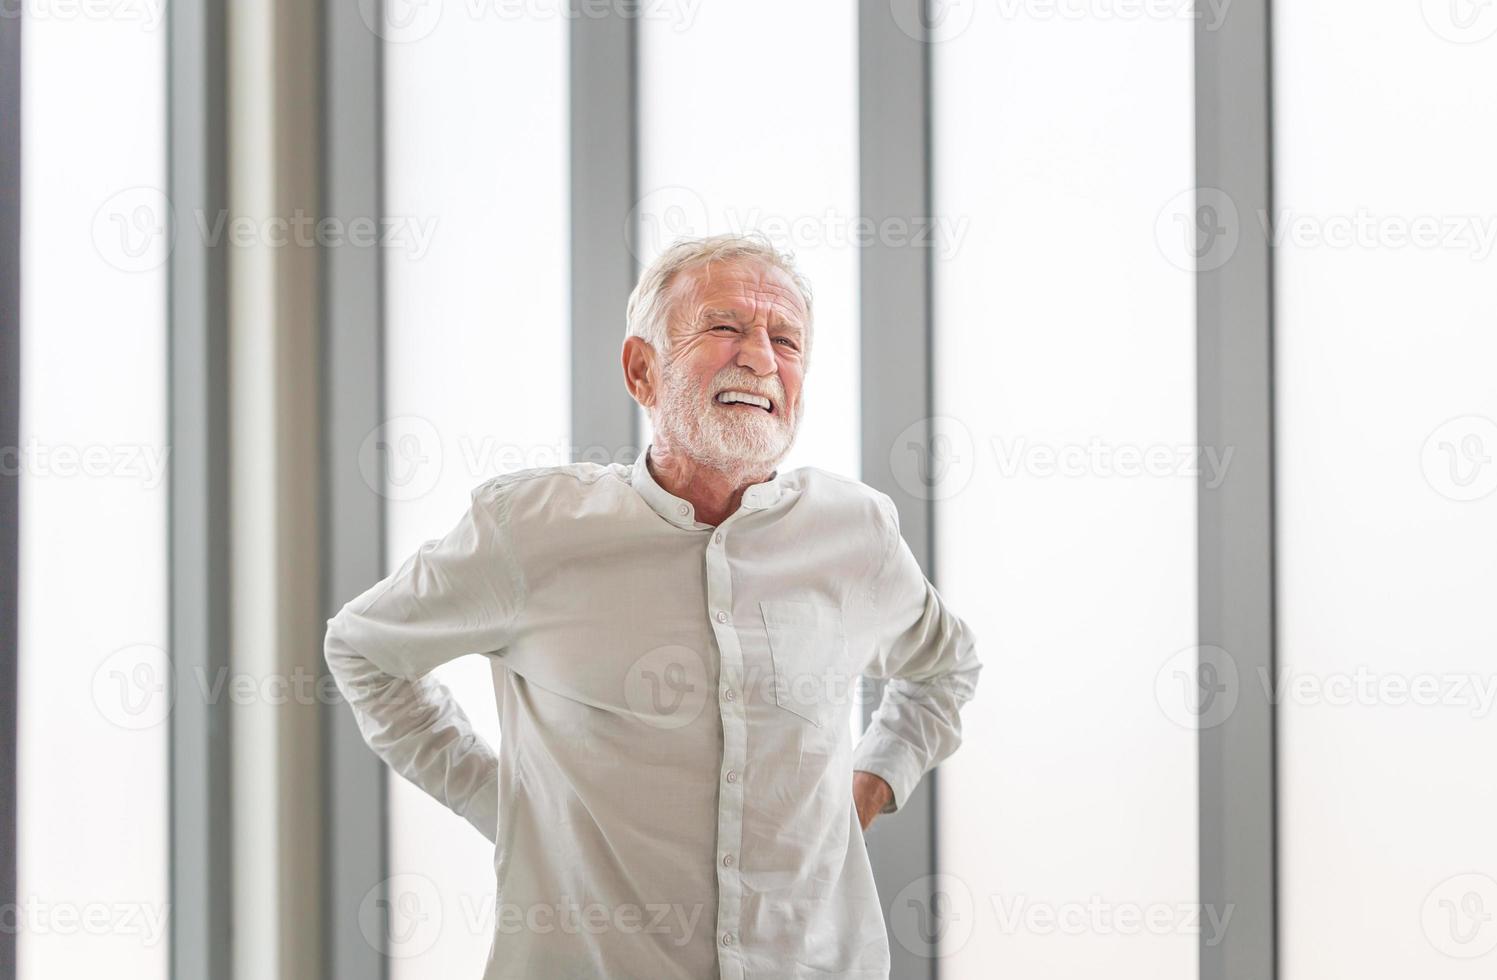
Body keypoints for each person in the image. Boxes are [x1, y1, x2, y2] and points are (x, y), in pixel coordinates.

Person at [325, 232, 981, 978]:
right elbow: (366, 650)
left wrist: (872, 781)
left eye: (786, 340)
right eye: (724, 326)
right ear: (643, 369)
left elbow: (944, 667)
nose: (761, 358)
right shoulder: (527, 530)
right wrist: (504, 807)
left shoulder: (854, 531)